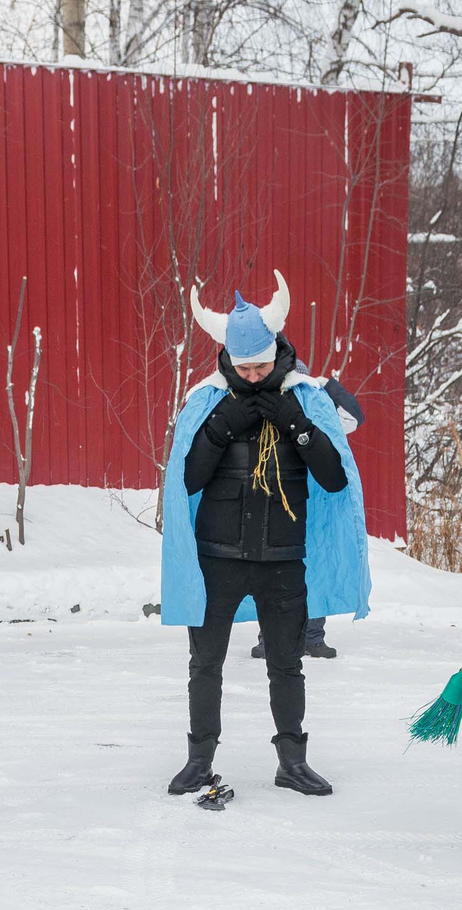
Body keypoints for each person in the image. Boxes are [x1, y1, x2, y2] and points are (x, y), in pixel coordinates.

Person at [159, 271, 369, 798]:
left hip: (284, 559)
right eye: (244, 367)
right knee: (204, 663)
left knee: (287, 664)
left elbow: (335, 477)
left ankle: (292, 762)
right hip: (218, 558)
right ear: (227, 359)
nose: (253, 377)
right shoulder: (206, 402)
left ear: (278, 352)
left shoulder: (308, 398)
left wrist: (296, 423)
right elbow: (186, 480)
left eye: (262, 365)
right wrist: (222, 424)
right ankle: (198, 760)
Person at [253, 375, 367, 662]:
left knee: (316, 566)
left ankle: (312, 636)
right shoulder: (271, 402)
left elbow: (354, 416)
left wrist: (328, 384)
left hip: (319, 502)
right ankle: (269, 637)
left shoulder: (322, 406)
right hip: (277, 494)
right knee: (273, 564)